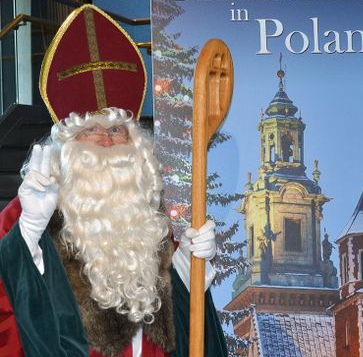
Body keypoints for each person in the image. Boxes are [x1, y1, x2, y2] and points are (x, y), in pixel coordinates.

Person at [0, 107, 228, 356]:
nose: (106, 140)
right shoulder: (31, 209)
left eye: (117, 130)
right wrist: (30, 232)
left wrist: (188, 265)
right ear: (67, 143)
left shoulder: (147, 218)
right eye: (92, 129)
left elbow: (175, 323)